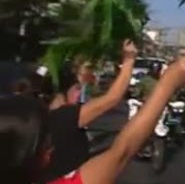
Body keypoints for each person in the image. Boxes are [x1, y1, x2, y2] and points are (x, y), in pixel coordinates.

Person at [0, 51, 185, 184]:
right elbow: (122, 149)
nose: (51, 149)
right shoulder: (64, 117)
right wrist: (168, 82)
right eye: (45, 145)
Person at [39, 40, 138, 182]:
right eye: (78, 88)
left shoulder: (35, 117)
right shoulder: (65, 117)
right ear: (71, 91)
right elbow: (113, 97)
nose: (80, 93)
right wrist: (129, 60)